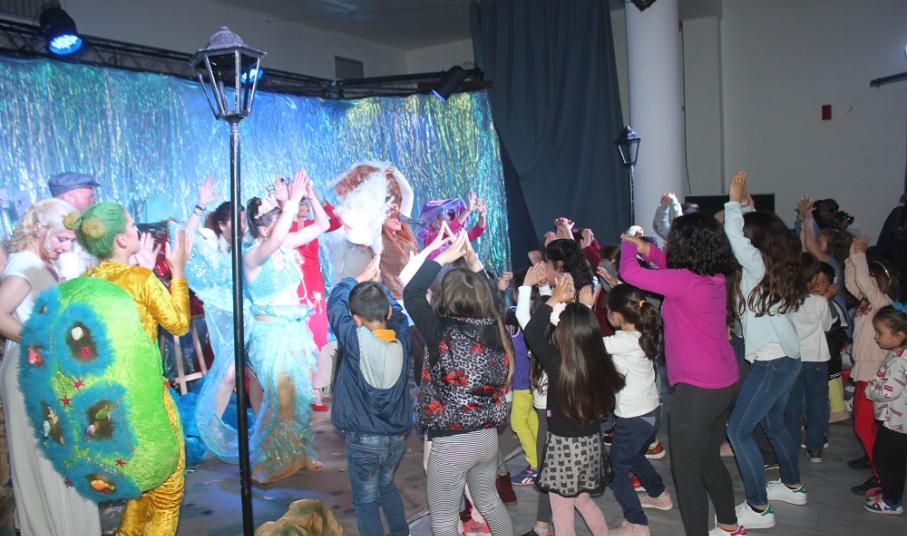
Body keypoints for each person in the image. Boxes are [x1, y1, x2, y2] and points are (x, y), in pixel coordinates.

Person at [619, 212, 742, 536]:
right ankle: (729, 526)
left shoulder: (684, 282)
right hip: (725, 382)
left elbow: (629, 272)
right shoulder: (715, 276)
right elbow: (669, 268)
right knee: (708, 460)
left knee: (687, 474)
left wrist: (628, 243)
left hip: (699, 391)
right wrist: (647, 249)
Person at [73, 201, 192, 535]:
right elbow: (179, 323)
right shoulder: (139, 279)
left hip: (109, 407)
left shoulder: (83, 283)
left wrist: (147, 273)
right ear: (122, 240)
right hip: (147, 401)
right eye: (130, 225)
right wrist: (178, 272)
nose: (137, 229)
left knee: (140, 489)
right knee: (167, 492)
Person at [0, 198, 101, 536]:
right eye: (61, 239)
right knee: (47, 457)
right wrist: (38, 341)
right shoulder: (26, 264)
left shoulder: (36, 262)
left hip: (39, 369)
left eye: (70, 241)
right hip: (29, 371)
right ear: (39, 229)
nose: (64, 247)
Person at [403, 228, 514, 536]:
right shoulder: (495, 327)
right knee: (490, 502)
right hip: (487, 438)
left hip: (452, 442)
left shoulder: (439, 331)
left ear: (445, 297)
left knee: (443, 521)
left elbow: (412, 293)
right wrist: (474, 264)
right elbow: (495, 299)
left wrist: (443, 258)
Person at [724, 171, 808, 530]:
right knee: (773, 423)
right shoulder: (774, 265)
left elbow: (735, 236)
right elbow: (750, 235)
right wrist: (747, 208)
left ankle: (758, 508)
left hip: (773, 363)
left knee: (738, 431)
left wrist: (733, 203)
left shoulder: (757, 266)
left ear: (754, 242)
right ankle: (792, 486)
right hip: (786, 360)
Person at [243, 171, 330, 484]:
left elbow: (323, 225)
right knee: (278, 399)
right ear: (264, 228)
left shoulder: (283, 245)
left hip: (294, 332)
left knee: (299, 395)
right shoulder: (252, 255)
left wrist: (310, 195)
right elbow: (278, 238)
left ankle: (300, 451)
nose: (287, 223)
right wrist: (290, 202)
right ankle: (264, 459)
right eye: (280, 220)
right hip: (270, 336)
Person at [523, 272, 624, 536]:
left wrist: (553, 299)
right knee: (583, 500)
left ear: (563, 334)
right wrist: (569, 302)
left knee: (561, 511)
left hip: (563, 451)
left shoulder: (558, 364)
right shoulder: (598, 363)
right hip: (590, 445)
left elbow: (532, 332)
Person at [327, 256, 411, 536]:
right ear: (387, 313)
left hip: (363, 440)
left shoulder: (353, 339)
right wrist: (379, 287)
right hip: (395, 439)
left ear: (356, 319)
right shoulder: (401, 336)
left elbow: (335, 304)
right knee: (386, 486)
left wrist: (357, 279)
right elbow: (398, 311)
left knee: (365, 500)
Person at [182, 177, 245, 463]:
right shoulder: (210, 242)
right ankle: (212, 429)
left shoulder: (246, 245)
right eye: (236, 221)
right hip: (222, 315)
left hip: (247, 313)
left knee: (254, 375)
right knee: (228, 372)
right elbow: (185, 241)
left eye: (244, 221)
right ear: (221, 224)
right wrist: (199, 206)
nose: (242, 226)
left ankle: (267, 431)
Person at [605, 283, 672, 536]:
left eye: (608, 310)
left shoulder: (622, 341)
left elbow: (588, 343)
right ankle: (659, 495)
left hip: (633, 420)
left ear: (617, 314)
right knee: (634, 457)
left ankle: (637, 524)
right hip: (651, 414)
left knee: (616, 471)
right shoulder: (643, 333)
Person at [845, 234, 899, 494]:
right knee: (862, 423)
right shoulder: (867, 303)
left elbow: (864, 283)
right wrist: (851, 256)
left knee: (863, 425)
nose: (863, 280)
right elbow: (853, 282)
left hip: (874, 374)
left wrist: (860, 255)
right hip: (863, 371)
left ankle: (880, 475)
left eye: (869, 277)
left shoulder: (883, 305)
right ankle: (875, 461)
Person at [288, 188, 343, 412]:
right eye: (300, 202)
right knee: (296, 341)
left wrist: (317, 198)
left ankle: (316, 392)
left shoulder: (314, 224)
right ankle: (298, 391)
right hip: (293, 286)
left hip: (314, 286)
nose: (304, 206)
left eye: (306, 203)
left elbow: (335, 222)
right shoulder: (284, 226)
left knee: (319, 340)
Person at [784, 254, 834, 463]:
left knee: (793, 404)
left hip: (793, 357)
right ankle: (815, 448)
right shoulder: (820, 301)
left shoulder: (786, 299)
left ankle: (792, 445)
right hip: (817, 359)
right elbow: (827, 326)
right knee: (818, 403)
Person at [863, 304, 907, 515]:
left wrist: (871, 391)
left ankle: (892, 500)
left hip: (897, 423)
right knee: (886, 457)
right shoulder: (895, 354)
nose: (875, 337)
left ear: (899, 336)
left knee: (888, 459)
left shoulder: (900, 362)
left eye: (880, 332)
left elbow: (889, 392)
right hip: (893, 420)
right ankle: (890, 491)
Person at [48, 171, 99, 280]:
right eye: (90, 197)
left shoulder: (84, 225)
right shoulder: (51, 228)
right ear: (68, 198)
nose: (94, 202)